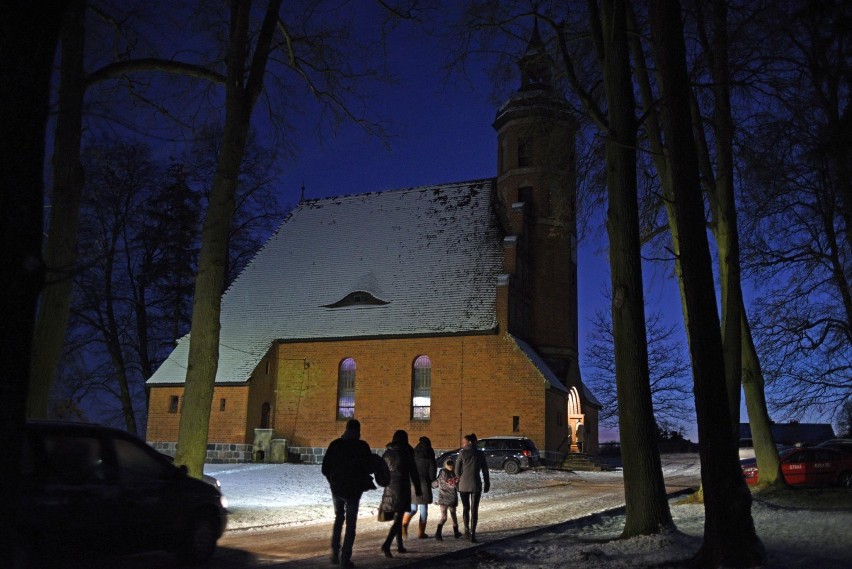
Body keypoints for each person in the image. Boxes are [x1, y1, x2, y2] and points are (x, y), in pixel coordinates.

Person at [321, 419, 375, 569]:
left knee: (339, 518)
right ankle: (345, 558)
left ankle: (334, 551)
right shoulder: (362, 446)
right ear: (358, 431)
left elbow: (325, 468)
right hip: (353, 490)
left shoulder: (335, 445)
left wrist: (333, 480)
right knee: (351, 523)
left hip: (337, 488)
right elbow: (370, 467)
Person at [379, 430, 422, 558]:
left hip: (389, 488)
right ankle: (387, 544)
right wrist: (418, 489)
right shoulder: (406, 453)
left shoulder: (387, 453)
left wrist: (383, 482)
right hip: (402, 487)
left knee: (397, 517)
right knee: (398, 519)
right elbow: (413, 472)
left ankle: (399, 545)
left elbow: (380, 470)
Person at [455, 432, 489, 543]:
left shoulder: (462, 453)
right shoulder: (480, 454)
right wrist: (487, 482)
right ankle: (473, 534)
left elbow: (456, 470)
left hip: (463, 484)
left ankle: (466, 530)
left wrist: (461, 477)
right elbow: (485, 470)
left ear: (468, 442)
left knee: (466, 508)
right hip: (476, 483)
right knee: (475, 509)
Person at [407, 436, 437, 539]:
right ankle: (421, 532)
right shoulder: (429, 457)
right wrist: (432, 481)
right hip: (424, 485)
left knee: (412, 507)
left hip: (412, 484)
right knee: (423, 508)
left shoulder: (413, 455)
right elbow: (432, 475)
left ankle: (404, 524)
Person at [434, 458, 462, 540]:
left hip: (442, 498)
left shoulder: (442, 472)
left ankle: (438, 534)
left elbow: (436, 483)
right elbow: (456, 485)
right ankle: (456, 533)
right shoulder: (454, 473)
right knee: (454, 516)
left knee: (443, 517)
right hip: (451, 498)